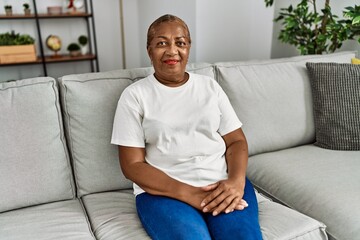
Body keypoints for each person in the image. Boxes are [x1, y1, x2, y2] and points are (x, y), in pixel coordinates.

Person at [111, 14, 262, 240]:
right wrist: (188, 193)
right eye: (162, 43)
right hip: (162, 193)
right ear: (149, 50)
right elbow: (132, 165)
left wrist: (236, 182)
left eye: (180, 43)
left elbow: (236, 141)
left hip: (220, 183)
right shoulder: (135, 96)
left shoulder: (209, 87)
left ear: (188, 48)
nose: (172, 51)